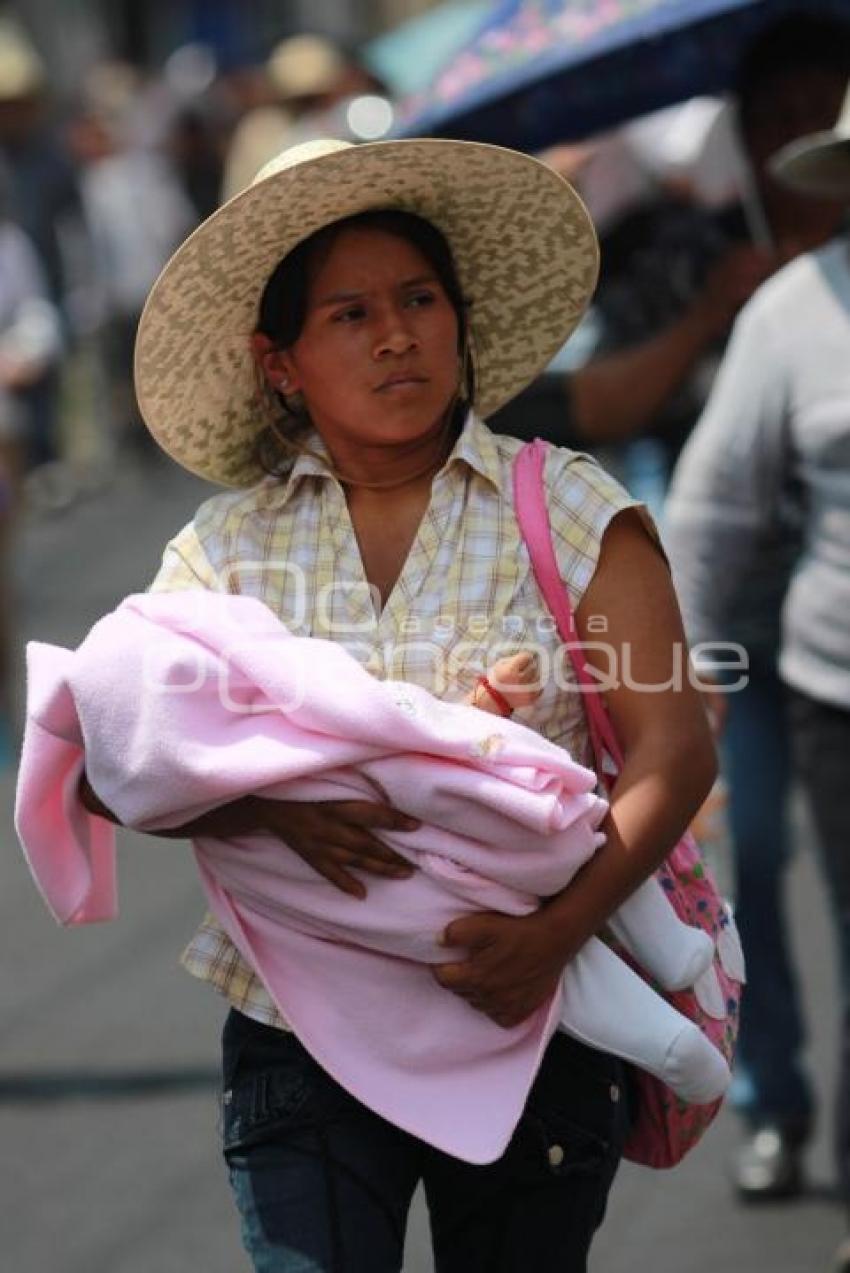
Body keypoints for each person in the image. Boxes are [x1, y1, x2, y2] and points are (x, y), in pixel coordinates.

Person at [72, 136, 716, 1271]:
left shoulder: (569, 508)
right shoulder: (225, 551)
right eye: (350, 314)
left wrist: (555, 933)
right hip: (296, 1038)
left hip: (536, 1021)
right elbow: (111, 749)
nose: (395, 334)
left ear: (460, 321)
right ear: (282, 364)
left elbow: (675, 749)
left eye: (419, 299)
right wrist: (260, 813)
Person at [665, 90, 850, 1260]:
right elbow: (705, 514)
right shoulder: (793, 310)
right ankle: (779, 1107)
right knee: (776, 873)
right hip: (831, 683)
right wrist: (671, 694)